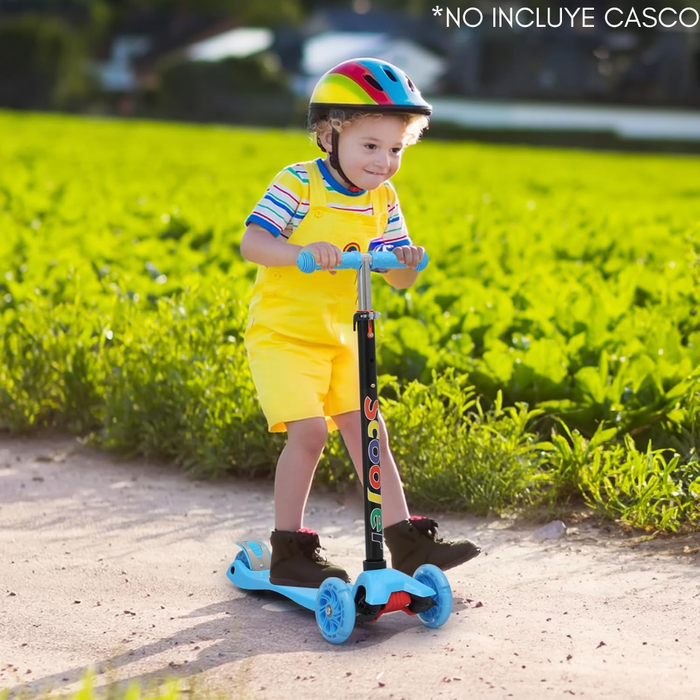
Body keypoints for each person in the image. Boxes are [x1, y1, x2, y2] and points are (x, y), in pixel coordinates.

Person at [239, 58, 480, 588]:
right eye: (370, 146)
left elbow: (397, 278)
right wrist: (300, 251)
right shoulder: (298, 182)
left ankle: (408, 543)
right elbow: (252, 241)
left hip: (343, 336)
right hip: (284, 336)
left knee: (370, 432)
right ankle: (290, 551)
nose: (384, 161)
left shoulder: (383, 199)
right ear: (329, 133)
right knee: (307, 435)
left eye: (395, 149)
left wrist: (407, 262)